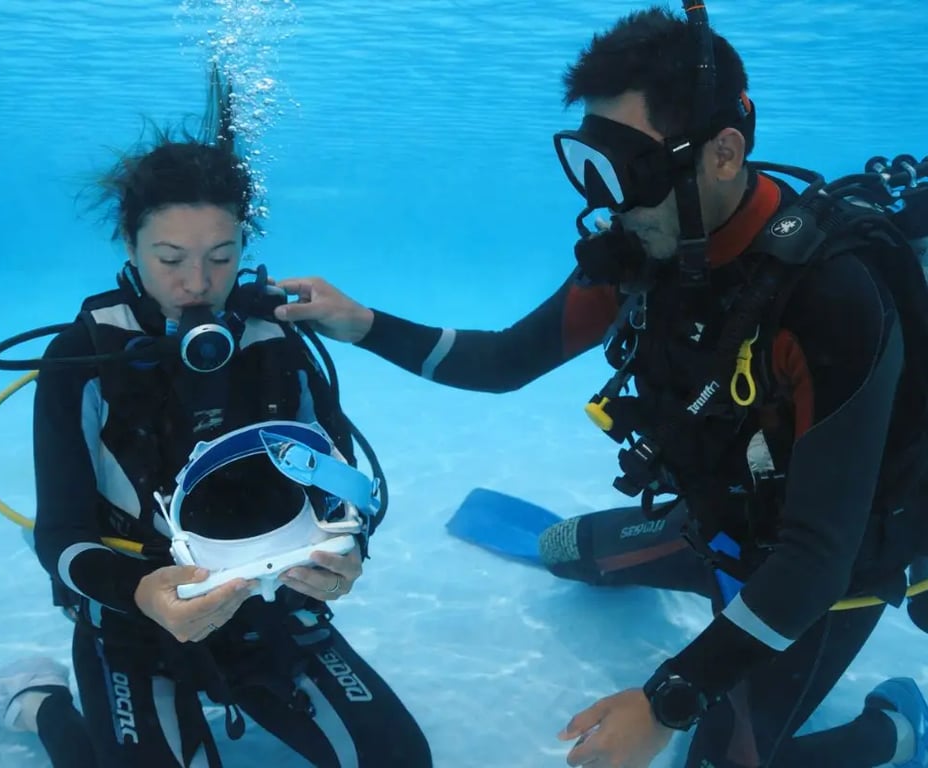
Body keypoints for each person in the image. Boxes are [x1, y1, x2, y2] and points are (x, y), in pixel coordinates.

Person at [270, 5, 928, 768]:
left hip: (826, 572)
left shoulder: (830, 298)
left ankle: (894, 731)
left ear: (722, 153)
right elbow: (505, 361)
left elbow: (815, 559)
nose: (607, 200)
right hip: (720, 524)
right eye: (590, 164)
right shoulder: (650, 247)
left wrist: (667, 698)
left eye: (629, 170)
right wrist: (362, 323)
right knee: (563, 551)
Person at [0, 67, 432, 768]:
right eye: (170, 259)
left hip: (267, 603)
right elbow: (60, 536)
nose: (197, 284)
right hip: (133, 615)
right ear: (129, 246)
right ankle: (37, 699)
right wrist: (139, 593)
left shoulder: (277, 339)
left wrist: (348, 553)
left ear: (244, 250)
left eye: (222, 257)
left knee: (399, 761)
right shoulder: (83, 358)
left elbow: (339, 489)